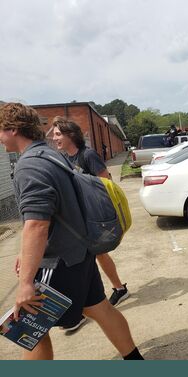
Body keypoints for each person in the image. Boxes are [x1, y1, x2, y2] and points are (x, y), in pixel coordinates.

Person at [0, 103, 143, 360]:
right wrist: (25, 252)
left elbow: (37, 224)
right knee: (99, 309)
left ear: (12, 130)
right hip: (79, 252)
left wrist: (25, 284)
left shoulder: (29, 166)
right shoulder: (50, 154)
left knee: (31, 328)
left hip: (59, 259)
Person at [52, 118, 130, 314]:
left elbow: (105, 183)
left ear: (71, 135)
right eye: (54, 134)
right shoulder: (64, 159)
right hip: (77, 217)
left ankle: (112, 291)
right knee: (94, 255)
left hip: (92, 216)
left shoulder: (87, 155)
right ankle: (112, 291)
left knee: (96, 254)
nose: (54, 138)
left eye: (58, 134)